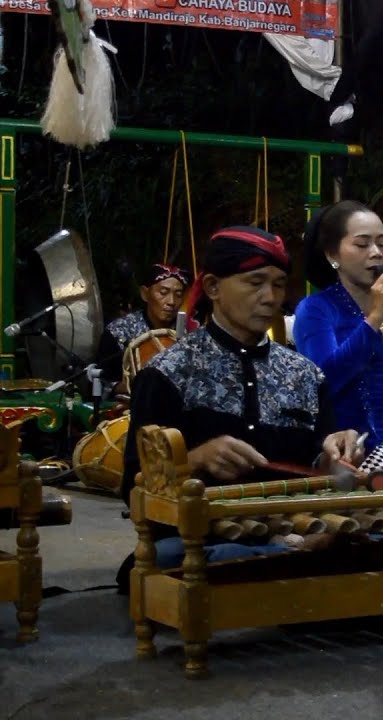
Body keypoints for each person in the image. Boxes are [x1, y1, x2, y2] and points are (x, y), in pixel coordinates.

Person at [120, 226, 365, 571]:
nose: (270, 297)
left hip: (293, 528)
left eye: (278, 284)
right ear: (213, 287)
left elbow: (319, 468)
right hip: (204, 538)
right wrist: (194, 459)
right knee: (177, 557)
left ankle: (289, 558)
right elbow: (134, 485)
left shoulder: (306, 375)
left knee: (380, 543)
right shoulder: (167, 373)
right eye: (255, 282)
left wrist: (336, 458)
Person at [292, 201, 383, 471]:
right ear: (333, 255)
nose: (376, 253)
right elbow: (325, 380)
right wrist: (375, 317)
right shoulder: (316, 309)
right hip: (347, 452)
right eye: (362, 244)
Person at [95, 263, 192, 395]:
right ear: (145, 294)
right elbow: (100, 382)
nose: (171, 301)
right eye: (163, 293)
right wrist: (132, 388)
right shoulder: (119, 331)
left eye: (179, 294)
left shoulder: (190, 333)